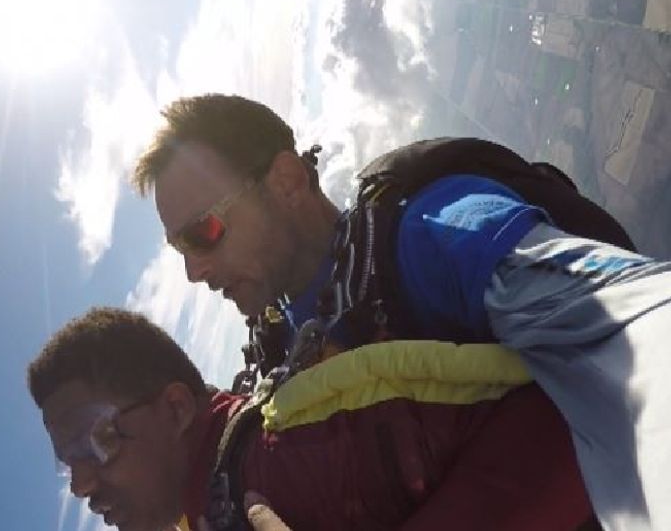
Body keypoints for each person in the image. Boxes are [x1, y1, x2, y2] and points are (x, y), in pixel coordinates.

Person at [132, 93, 671, 530]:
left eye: (203, 233)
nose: (193, 273)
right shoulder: (274, 366)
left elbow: (637, 330)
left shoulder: (433, 235)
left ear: (288, 182)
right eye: (180, 251)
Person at [29, 307, 592, 531]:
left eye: (95, 441)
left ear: (176, 408)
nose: (80, 484)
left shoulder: (292, 446)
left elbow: (563, 425)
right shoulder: (214, 505)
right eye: (67, 463)